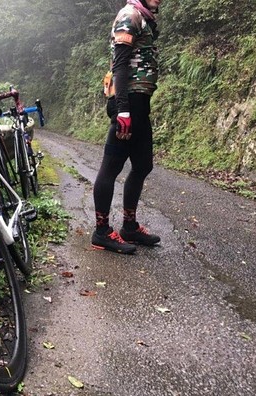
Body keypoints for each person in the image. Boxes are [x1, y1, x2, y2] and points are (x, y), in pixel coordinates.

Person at [91, 0, 162, 254]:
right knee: (111, 166)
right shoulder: (129, 15)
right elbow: (119, 65)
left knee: (143, 165)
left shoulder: (144, 18)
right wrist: (122, 109)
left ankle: (129, 226)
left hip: (140, 102)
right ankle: (101, 231)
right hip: (127, 102)